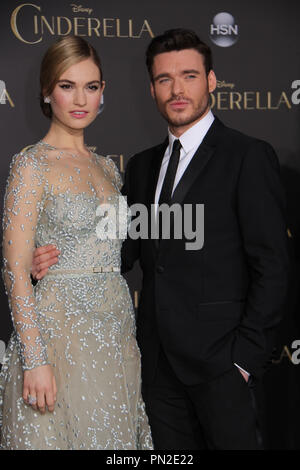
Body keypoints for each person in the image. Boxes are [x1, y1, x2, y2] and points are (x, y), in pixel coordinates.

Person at [31, 29, 290, 450]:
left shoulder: (247, 156)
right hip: (155, 369)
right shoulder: (141, 166)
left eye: (188, 76)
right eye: (165, 79)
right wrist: (46, 258)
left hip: (222, 366)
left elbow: (273, 265)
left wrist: (244, 360)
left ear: (211, 81)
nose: (177, 89)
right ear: (151, 88)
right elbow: (119, 250)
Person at [0, 35, 152, 450]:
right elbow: (14, 268)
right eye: (67, 86)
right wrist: (35, 360)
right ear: (47, 92)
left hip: (116, 333)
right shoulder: (31, 165)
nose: (80, 99)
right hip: (57, 337)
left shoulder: (108, 168)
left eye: (91, 86)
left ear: (103, 91)